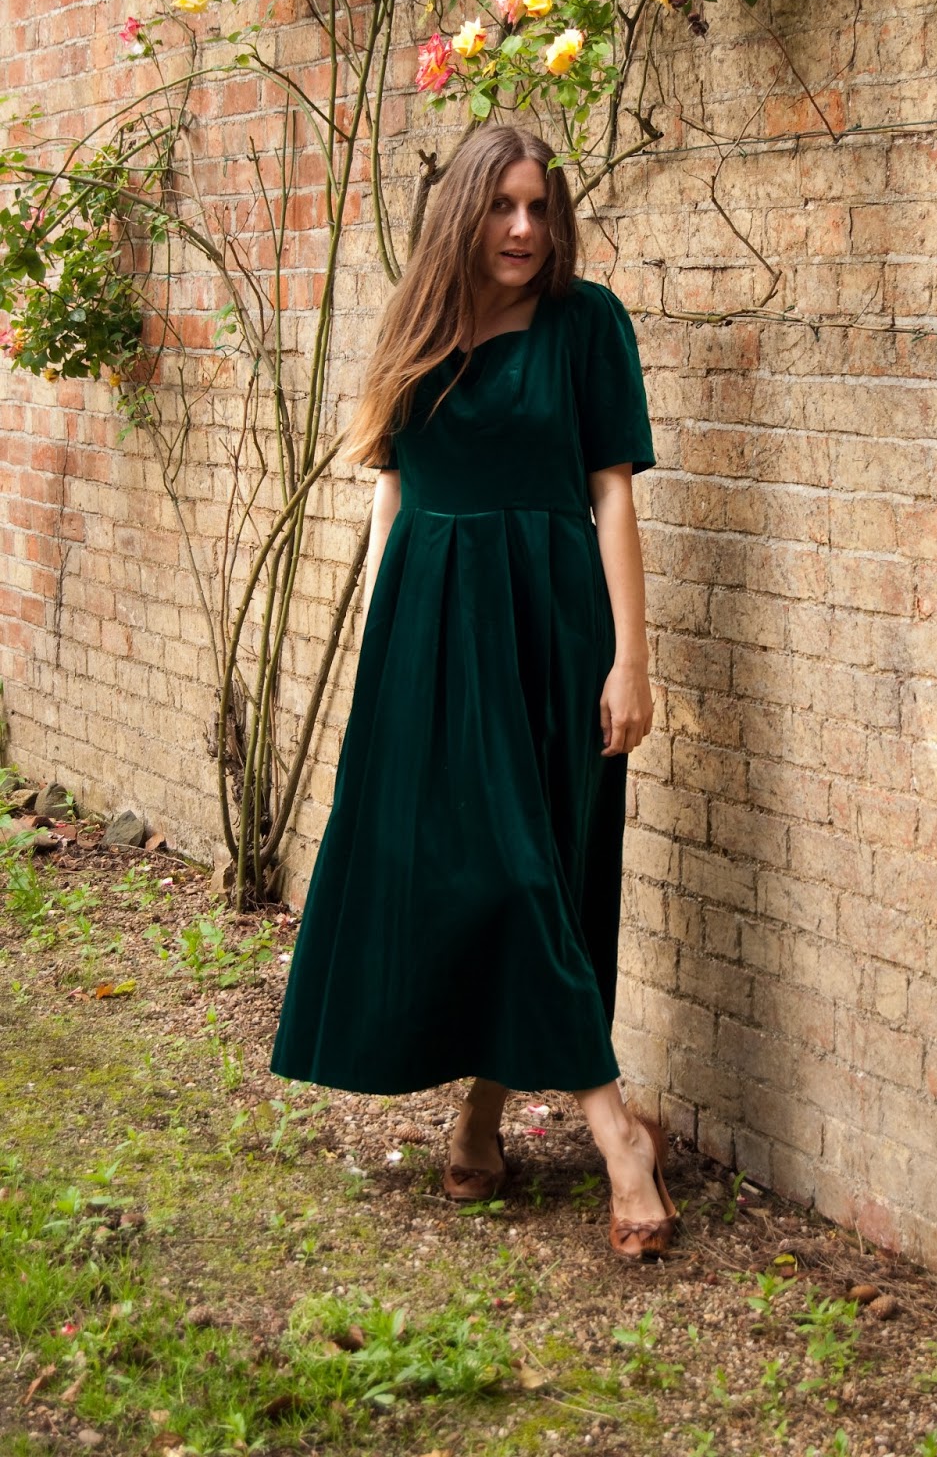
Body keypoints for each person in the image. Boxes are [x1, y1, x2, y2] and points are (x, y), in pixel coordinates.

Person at [270, 123, 678, 1260]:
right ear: (462, 211)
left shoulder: (587, 325)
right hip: (431, 633)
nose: (523, 228)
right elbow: (392, 497)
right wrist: (381, 647)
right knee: (495, 868)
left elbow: (612, 495)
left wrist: (631, 658)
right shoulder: (417, 324)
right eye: (502, 205)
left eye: (539, 207)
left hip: (549, 629)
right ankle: (585, 1134)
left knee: (537, 866)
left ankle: (535, 1126)